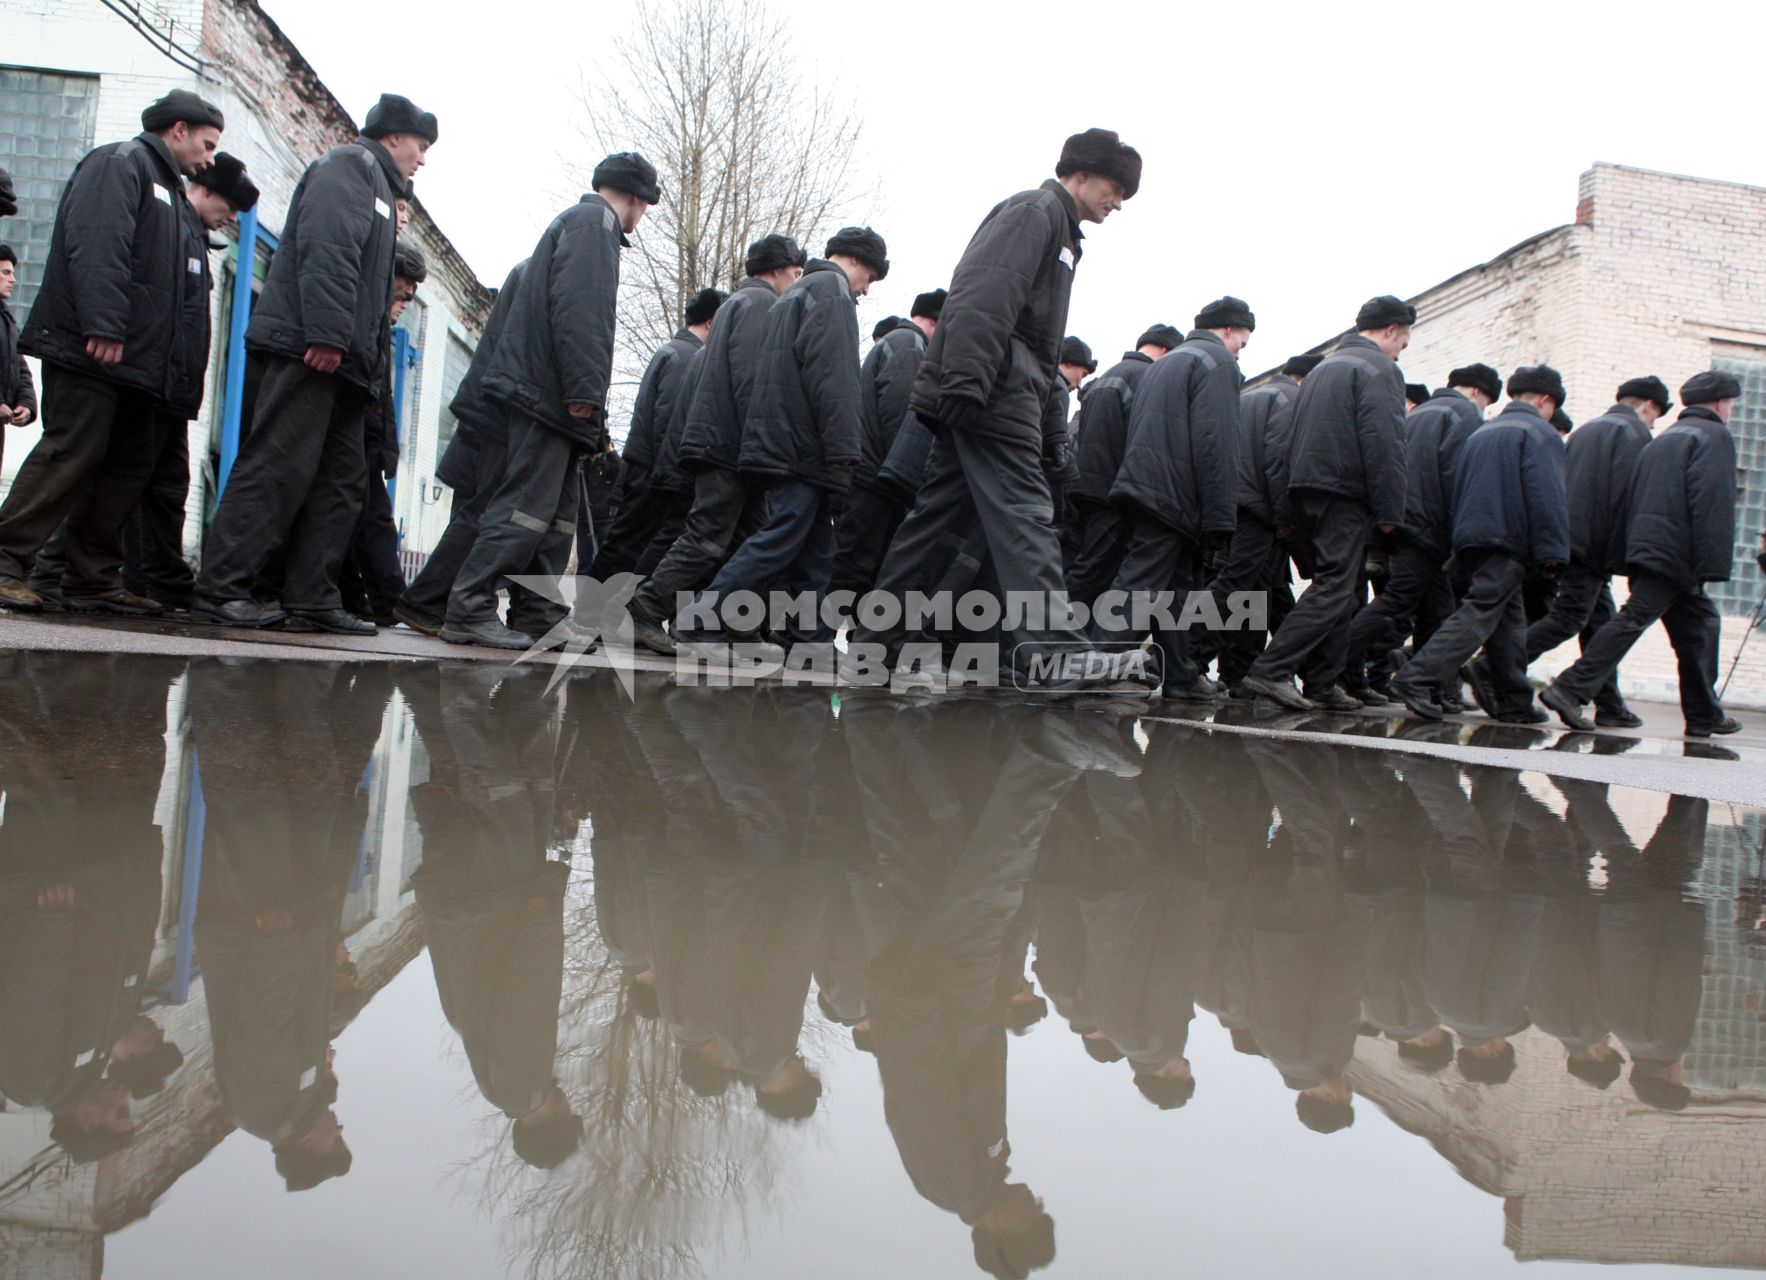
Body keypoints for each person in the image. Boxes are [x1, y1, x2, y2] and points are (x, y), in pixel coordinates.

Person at [848, 128, 1152, 694]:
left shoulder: (1060, 230)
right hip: (990, 395)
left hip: (997, 392)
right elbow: (982, 294)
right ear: (1081, 174)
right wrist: (966, 384)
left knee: (933, 524)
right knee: (1026, 516)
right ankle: (1055, 654)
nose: (1119, 202)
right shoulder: (1035, 211)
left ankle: (873, 646)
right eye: (1116, 188)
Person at [194, 92, 434, 632]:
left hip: (348, 366)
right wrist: (327, 334)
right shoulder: (348, 168)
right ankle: (221, 589)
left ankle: (312, 598)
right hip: (314, 351)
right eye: (421, 146)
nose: (423, 158)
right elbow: (329, 252)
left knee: (342, 483)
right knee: (276, 468)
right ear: (393, 137)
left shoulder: (377, 187)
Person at [0, 89, 224, 614]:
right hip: (91, 350)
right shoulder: (120, 164)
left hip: (135, 367)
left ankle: (93, 581)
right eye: (207, 143)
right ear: (178, 130)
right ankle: (6, 560)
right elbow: (97, 244)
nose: (211, 158)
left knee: (125, 466)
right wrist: (103, 322)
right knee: (71, 451)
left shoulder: (169, 191)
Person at [439, 152, 655, 649]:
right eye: (644, 204)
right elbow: (582, 316)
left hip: (555, 402)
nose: (642, 216)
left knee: (556, 519)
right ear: (636, 199)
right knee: (523, 508)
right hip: (552, 400)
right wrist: (584, 394)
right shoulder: (593, 224)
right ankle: (470, 606)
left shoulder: (584, 225)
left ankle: (538, 612)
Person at [675, 228, 887, 660]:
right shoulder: (832, 292)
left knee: (816, 549)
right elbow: (835, 380)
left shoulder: (797, 293)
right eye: (871, 275)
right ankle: (699, 620)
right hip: (803, 449)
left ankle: (809, 640)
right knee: (779, 539)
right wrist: (845, 450)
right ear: (856, 261)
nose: (867, 288)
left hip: (782, 442)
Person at [626, 233, 807, 654]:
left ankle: (740, 626)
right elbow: (751, 380)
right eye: (796, 273)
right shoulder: (761, 305)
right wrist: (764, 443)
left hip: (722, 441)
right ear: (779, 270)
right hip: (731, 446)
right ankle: (646, 609)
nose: (797, 282)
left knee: (751, 537)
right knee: (708, 537)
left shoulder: (736, 304)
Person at [1542, 370, 1744, 738]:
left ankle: (1704, 715)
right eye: (1730, 403)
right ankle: (1571, 687)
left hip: (1650, 547)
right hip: (1678, 553)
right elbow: (1711, 502)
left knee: (1700, 627)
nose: (1731, 409)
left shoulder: (1666, 437)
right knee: (1632, 619)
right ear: (1720, 403)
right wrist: (1711, 562)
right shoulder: (1713, 436)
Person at [1240, 295, 1413, 710]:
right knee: (1336, 584)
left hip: (1307, 489)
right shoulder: (1379, 369)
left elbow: (1290, 438)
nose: (1401, 350)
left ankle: (1321, 681)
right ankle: (1271, 670)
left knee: (1346, 586)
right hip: (1344, 490)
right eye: (1403, 341)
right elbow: (1384, 441)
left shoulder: (1321, 370)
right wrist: (1391, 511)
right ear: (1391, 330)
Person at [1390, 366, 1570, 721]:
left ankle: (1514, 699)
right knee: (1479, 611)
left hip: (1471, 536)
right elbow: (1548, 497)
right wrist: (1553, 552)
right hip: (1508, 537)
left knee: (1509, 620)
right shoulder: (1539, 434)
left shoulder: (1483, 431)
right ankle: (1416, 675)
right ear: (1546, 401)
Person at [1095, 297, 1251, 698]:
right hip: (1174, 492)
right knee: (1142, 584)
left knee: (1179, 589)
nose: (1241, 350)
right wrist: (1220, 516)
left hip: (1150, 484)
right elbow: (1217, 441)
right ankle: (1093, 665)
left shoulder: (1169, 361)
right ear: (1231, 330)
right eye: (1244, 342)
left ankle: (1181, 674)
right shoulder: (1217, 362)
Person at [1340, 363, 1499, 703]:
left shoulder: (1418, 414)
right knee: (1396, 602)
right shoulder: (1465, 415)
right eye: (1486, 402)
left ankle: (1430, 686)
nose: (1483, 409)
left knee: (1436, 609)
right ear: (1476, 393)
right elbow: (1459, 477)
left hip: (1401, 523)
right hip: (1430, 529)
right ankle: (1332, 662)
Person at [1522, 376, 1670, 727]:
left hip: (1569, 537)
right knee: (1569, 617)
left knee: (1599, 620)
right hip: (1593, 546)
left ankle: (1610, 705)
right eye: (1655, 415)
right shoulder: (1634, 435)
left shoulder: (1587, 429)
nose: (1653, 423)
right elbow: (1625, 499)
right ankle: (1493, 665)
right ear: (1648, 406)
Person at [392, 258, 527, 633]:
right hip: (495, 419)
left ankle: (433, 602)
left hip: (484, 418)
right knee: (481, 514)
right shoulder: (540, 275)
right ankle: (424, 601)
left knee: (475, 513)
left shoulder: (525, 272)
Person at [1198, 353, 1321, 694]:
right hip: (1258, 509)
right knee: (1235, 586)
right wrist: (1284, 517)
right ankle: (1188, 656)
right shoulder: (1292, 400)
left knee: (1253, 591)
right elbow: (1279, 461)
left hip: (1230, 504)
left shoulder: (1250, 397)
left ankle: (1237, 672)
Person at [588, 286, 727, 578]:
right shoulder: (688, 356)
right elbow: (670, 419)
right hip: (654, 469)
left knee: (628, 541)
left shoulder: (675, 351)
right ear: (713, 322)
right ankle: (592, 612)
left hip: (647, 464)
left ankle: (595, 611)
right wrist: (672, 474)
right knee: (631, 543)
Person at [828, 287, 946, 602]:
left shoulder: (898, 342)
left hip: (868, 473)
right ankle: (810, 636)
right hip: (873, 478)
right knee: (854, 563)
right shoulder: (910, 346)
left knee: (859, 562)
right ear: (937, 321)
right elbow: (902, 417)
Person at [1063, 323, 1182, 606]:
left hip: (1084, 487)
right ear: (1165, 350)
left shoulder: (1108, 376)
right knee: (1093, 573)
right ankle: (1041, 631)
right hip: (1114, 493)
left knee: (1082, 566)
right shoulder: (1149, 378)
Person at [340, 239, 427, 625]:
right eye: (403, 292)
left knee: (361, 519)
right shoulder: (365, 321)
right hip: (358, 438)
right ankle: (387, 598)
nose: (405, 301)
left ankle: (365, 596)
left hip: (367, 440)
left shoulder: (379, 330)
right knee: (370, 521)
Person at [0, 243, 37, 475]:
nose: (13, 279)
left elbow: (20, 366)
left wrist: (26, 404)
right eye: (5, 272)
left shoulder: (7, 321)